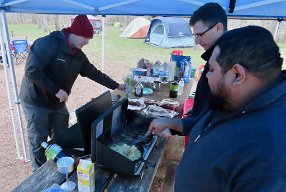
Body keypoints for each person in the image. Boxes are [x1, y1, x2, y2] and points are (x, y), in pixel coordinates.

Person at [149, 26, 286, 191]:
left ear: (237, 75)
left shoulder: (271, 151)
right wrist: (173, 124)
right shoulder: (239, 99)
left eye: (212, 70)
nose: (206, 76)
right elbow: (208, 125)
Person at [19, 15, 125, 171]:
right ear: (74, 33)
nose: (87, 41)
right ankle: (38, 174)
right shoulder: (47, 44)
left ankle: (62, 166)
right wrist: (56, 90)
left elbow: (93, 73)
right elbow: (31, 71)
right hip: (36, 100)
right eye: (85, 37)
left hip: (57, 102)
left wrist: (116, 85)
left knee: (63, 136)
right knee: (39, 138)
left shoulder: (78, 55)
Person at [159, 2, 228, 138]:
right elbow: (208, 101)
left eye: (200, 35)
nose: (196, 42)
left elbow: (214, 116)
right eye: (195, 35)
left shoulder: (226, 62)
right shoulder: (215, 55)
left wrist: (174, 128)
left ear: (218, 28)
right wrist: (194, 109)